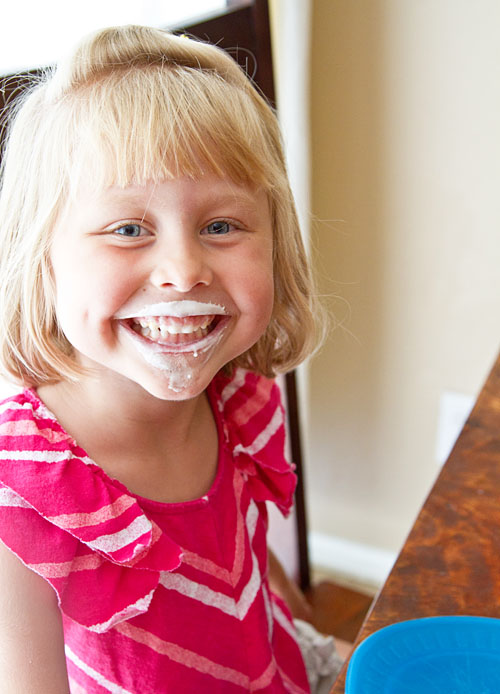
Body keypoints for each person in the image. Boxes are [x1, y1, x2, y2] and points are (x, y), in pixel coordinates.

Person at [0, 25, 341, 693]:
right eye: (128, 229)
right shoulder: (23, 502)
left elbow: (237, 556)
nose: (183, 271)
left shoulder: (240, 397)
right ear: (43, 261)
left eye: (221, 226)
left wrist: (307, 635)